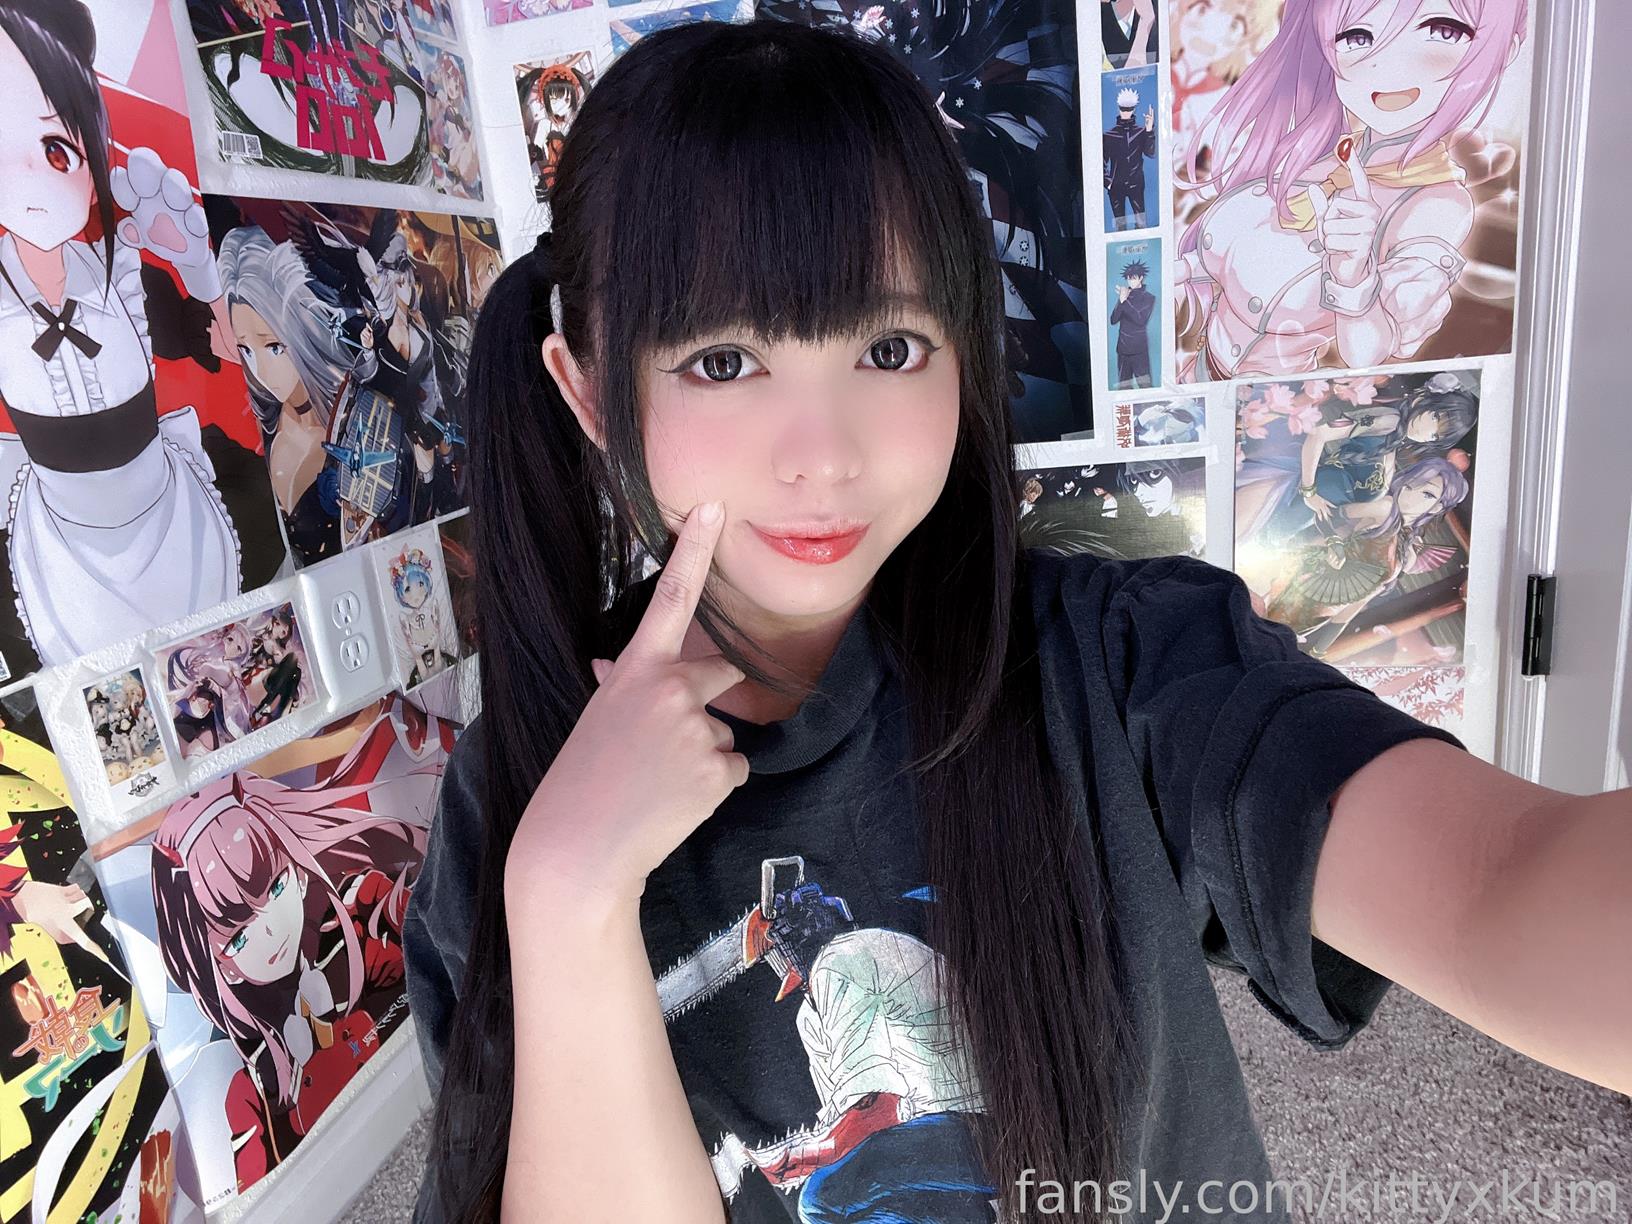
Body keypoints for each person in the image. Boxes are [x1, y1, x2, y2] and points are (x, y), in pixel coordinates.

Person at [402, 18, 1630, 1224]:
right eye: (723, 362)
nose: (822, 456)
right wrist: (568, 894)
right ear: (589, 392)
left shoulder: (1126, 663)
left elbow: (1503, 884)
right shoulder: (520, 793)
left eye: (890, 347)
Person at [1103, 87, 1156, 231]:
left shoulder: (1141, 132)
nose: (1126, 112)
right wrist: (1108, 183)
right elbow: (1101, 161)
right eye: (1123, 109)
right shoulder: (1109, 135)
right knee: (1120, 228)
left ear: (1134, 109)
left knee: (1141, 225)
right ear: (1119, 108)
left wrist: (1149, 130)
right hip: (1116, 187)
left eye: (1129, 109)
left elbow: (1151, 153)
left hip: (1136, 185)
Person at [1110, 259, 1156, 389]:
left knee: (1145, 386)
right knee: (1124, 387)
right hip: (1123, 350)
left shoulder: (1149, 297)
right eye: (1128, 279)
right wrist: (1121, 300)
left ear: (1141, 278)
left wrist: (1124, 301)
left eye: (1133, 278)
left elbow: (1141, 319)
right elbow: (1113, 320)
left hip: (1139, 350)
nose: (1130, 281)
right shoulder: (1125, 295)